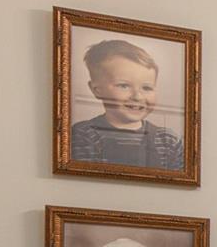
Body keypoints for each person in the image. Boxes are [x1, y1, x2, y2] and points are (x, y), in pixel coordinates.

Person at [69, 38, 184, 171]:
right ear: (97, 89)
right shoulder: (82, 135)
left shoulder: (168, 140)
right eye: (124, 86)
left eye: (146, 88)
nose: (137, 96)